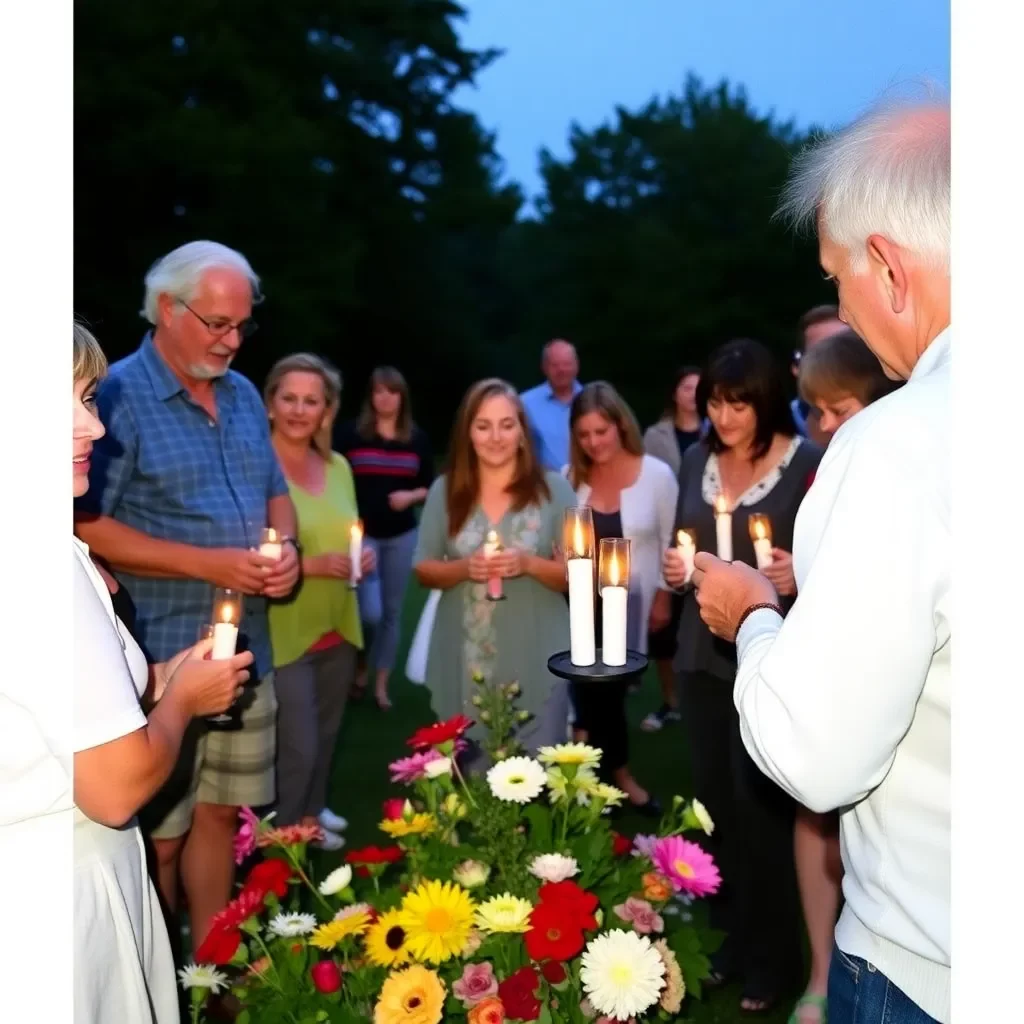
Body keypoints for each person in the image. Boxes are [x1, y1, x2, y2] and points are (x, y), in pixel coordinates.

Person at [691, 97, 950, 1024]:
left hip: (926, 962)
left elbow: (819, 755)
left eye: (836, 277)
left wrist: (754, 615)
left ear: (886, 265)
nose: (839, 305)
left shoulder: (896, 443)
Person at [74, 240, 300, 952]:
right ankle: (162, 962)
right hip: (157, 650)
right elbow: (86, 525)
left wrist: (284, 550)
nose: (232, 341)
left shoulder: (240, 395)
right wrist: (213, 565)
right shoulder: (113, 397)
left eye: (242, 326)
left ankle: (214, 971)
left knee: (223, 822)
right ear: (167, 308)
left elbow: (276, 494)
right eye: (216, 324)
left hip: (244, 653)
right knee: (161, 838)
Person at [61, 322, 251, 1022]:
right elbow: (114, 788)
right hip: (66, 899)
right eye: (72, 401)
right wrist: (183, 705)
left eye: (90, 398)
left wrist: (161, 678)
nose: (95, 426)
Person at [662, 337, 823, 1015]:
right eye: (714, 405)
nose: (724, 418)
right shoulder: (696, 459)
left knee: (764, 815)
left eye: (736, 404)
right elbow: (684, 545)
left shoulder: (804, 463)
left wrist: (798, 573)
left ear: (763, 402)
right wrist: (677, 572)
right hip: (702, 659)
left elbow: (837, 559)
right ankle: (728, 938)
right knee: (715, 807)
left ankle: (776, 956)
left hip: (770, 657)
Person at [787, 328, 901, 1024]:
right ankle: (821, 971)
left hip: (874, 679)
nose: (824, 426)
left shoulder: (897, 466)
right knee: (815, 815)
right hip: (824, 664)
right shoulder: (828, 467)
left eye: (838, 410)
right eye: (816, 413)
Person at [413, 378, 575, 759]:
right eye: (483, 425)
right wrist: (466, 568)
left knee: (537, 777)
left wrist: (530, 564)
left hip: (540, 649)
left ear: (522, 430)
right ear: (467, 432)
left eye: (507, 424)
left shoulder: (555, 490)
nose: (495, 437)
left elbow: (579, 576)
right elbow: (423, 568)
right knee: (472, 780)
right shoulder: (446, 491)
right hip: (464, 652)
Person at [265, 354, 376, 849]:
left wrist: (361, 555)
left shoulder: (339, 467)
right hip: (285, 625)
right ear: (270, 404)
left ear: (327, 411)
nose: (298, 409)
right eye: (288, 397)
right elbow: (252, 545)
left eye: (311, 400)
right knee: (299, 746)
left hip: (339, 621)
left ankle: (311, 813)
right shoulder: (258, 467)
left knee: (326, 735)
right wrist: (309, 565)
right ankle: (282, 845)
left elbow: (346, 530)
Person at [567, 382, 676, 813]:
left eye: (601, 431)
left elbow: (671, 539)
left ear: (620, 425)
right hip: (579, 605)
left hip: (632, 603)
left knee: (609, 693)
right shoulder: (569, 477)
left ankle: (606, 776)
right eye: (584, 434)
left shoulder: (656, 475)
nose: (594, 443)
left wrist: (664, 597)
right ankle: (613, 778)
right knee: (592, 695)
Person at [334, 366, 433, 710]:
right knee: (369, 613)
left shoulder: (417, 439)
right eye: (379, 391)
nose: (385, 398)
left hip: (401, 534)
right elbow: (334, 479)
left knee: (391, 612)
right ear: (370, 396)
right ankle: (360, 662)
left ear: (401, 397)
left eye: (392, 391)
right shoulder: (351, 435)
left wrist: (411, 497)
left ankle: (379, 683)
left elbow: (430, 485)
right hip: (364, 536)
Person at [641, 365, 702, 731]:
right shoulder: (656, 435)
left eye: (698, 387)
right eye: (685, 387)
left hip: (705, 534)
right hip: (666, 533)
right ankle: (670, 699)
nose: (692, 394)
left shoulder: (718, 429)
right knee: (665, 627)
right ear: (674, 393)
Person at [520, 339, 583, 471]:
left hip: (590, 484)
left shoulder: (593, 400)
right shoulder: (524, 404)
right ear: (544, 367)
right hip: (545, 486)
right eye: (555, 365)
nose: (561, 370)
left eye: (567, 364)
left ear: (577, 365)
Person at [790, 305, 846, 442]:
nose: (834, 364)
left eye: (843, 352)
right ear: (797, 366)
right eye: (820, 355)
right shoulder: (776, 426)